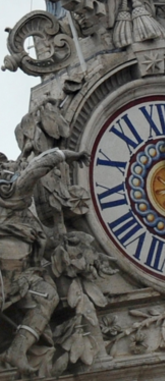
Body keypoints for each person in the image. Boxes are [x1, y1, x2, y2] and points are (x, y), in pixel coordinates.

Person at [1, 149, 88, 375]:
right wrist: (71, 154)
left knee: (47, 295)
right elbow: (42, 163)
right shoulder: (15, 192)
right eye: (7, 166)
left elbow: (48, 242)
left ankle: (17, 350)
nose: (11, 168)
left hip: (19, 276)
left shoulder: (19, 207)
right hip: (8, 274)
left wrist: (59, 220)